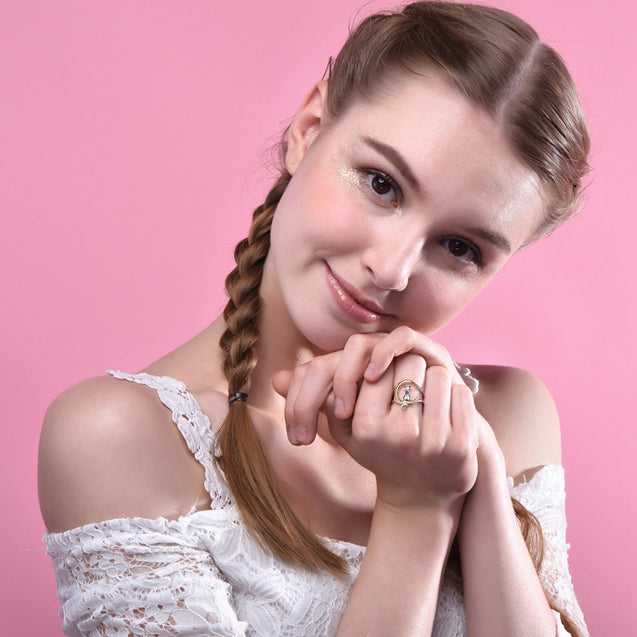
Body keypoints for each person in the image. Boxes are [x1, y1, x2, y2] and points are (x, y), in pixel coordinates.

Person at [38, 2, 591, 635]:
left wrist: (482, 474)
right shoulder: (119, 437)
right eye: (381, 183)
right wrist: (418, 509)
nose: (391, 268)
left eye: (461, 248)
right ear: (308, 127)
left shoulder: (506, 415)